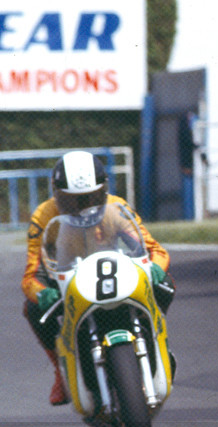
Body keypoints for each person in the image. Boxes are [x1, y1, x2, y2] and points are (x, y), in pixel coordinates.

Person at [21, 151, 174, 406]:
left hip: (117, 271)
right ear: (56, 193)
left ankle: (158, 339)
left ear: (104, 190)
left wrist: (156, 267)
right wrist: (41, 292)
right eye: (71, 200)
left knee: (165, 284)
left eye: (91, 197)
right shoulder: (44, 215)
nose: (83, 206)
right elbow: (31, 274)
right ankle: (60, 370)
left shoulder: (118, 208)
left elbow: (154, 249)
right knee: (33, 309)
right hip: (68, 277)